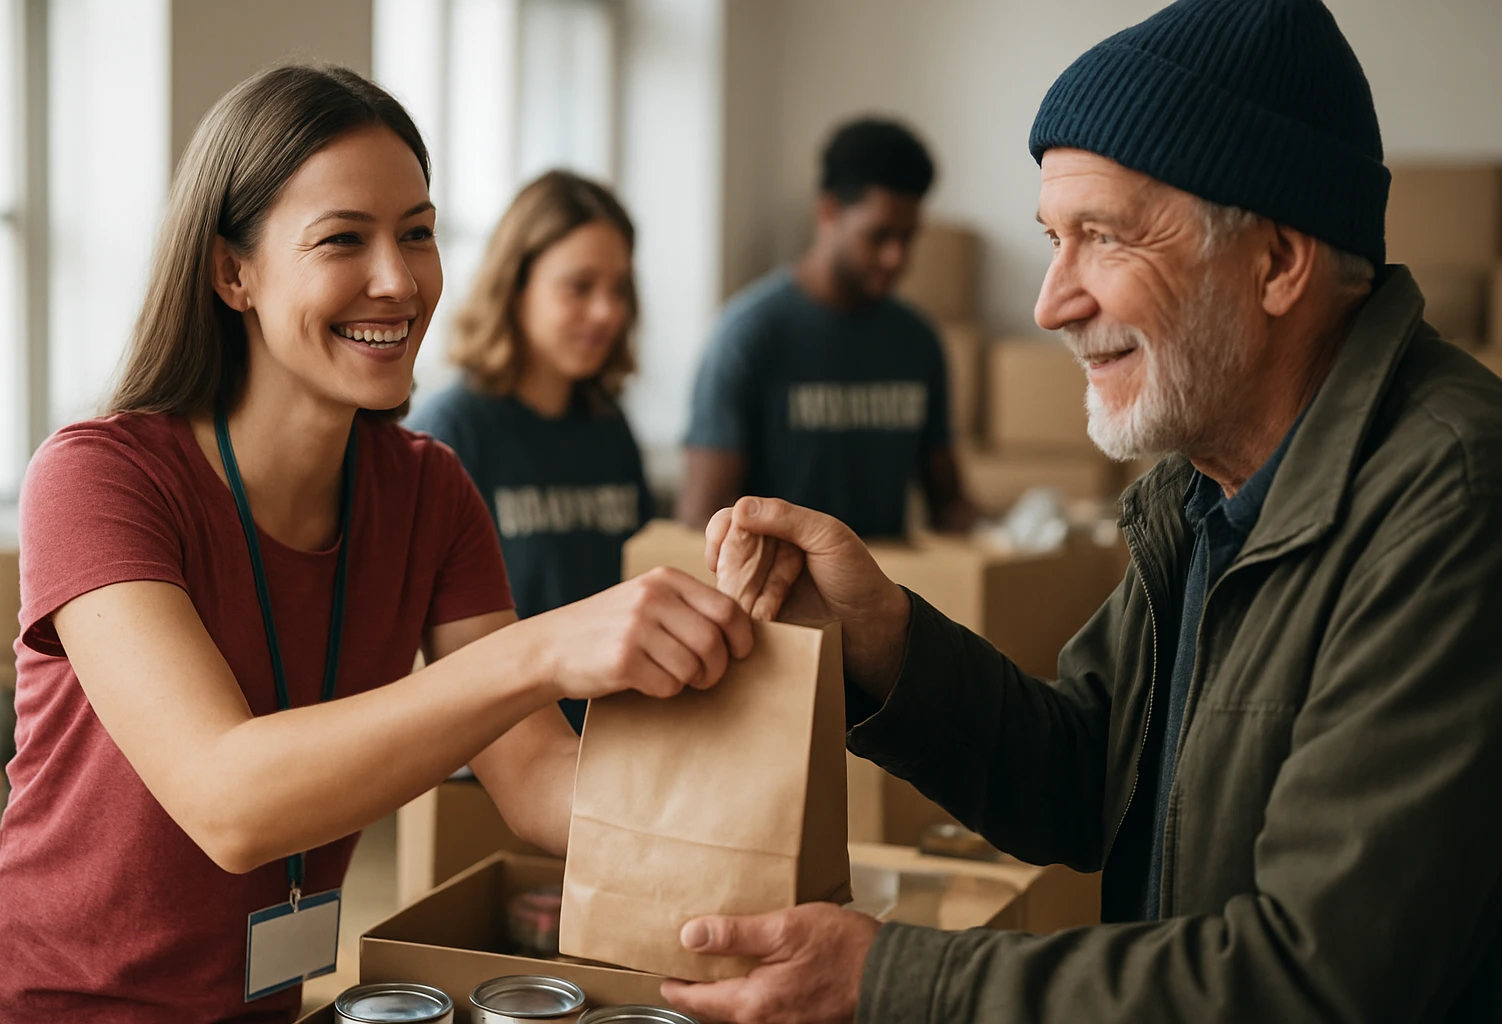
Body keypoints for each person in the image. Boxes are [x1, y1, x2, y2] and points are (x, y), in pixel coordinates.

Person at [659, 0, 1502, 1021]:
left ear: (1279, 262)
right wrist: (883, 644)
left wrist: (893, 981)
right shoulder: (1201, 480)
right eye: (1050, 238)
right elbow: (1090, 776)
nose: (1048, 301)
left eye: (1101, 238)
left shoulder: (1458, 501)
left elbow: (1314, 978)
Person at [0, 65, 750, 1023]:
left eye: (418, 234)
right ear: (233, 272)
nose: (398, 281)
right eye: (343, 240)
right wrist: (542, 648)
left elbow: (536, 781)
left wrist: (758, 755)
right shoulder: (98, 477)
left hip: (275, 1004)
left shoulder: (429, 489)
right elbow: (231, 802)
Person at [407, 170, 652, 732]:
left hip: (613, 743)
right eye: (580, 286)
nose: (606, 312)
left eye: (618, 289)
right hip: (489, 751)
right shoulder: (451, 433)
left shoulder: (610, 428)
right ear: (516, 285)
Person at [676, 118, 976, 539]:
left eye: (908, 238)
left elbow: (949, 503)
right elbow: (702, 519)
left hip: (883, 598)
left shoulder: (917, 341)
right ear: (829, 212)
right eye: (879, 236)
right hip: (776, 599)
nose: (896, 257)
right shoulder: (748, 337)